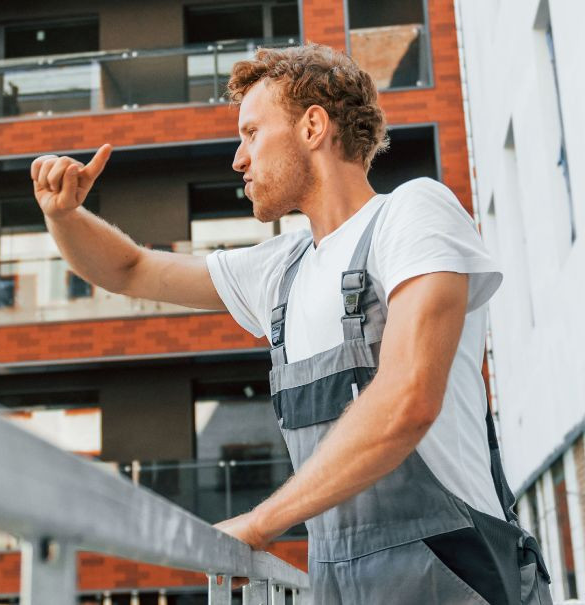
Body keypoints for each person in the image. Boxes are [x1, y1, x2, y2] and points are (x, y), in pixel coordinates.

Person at [28, 44, 550, 604]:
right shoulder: (281, 271)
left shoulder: (413, 213)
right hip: (339, 586)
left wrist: (258, 524)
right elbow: (130, 269)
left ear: (313, 127)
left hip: (458, 578)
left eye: (252, 133)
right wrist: (65, 217)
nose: (238, 159)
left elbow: (407, 399)